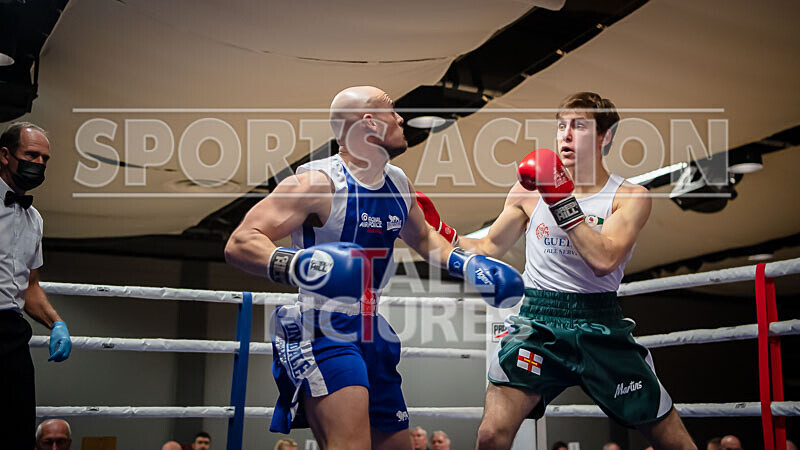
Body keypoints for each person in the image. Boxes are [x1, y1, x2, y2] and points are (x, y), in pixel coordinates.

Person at [225, 86, 524, 449]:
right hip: (323, 328)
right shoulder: (318, 183)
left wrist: (468, 264)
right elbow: (241, 242)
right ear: (368, 122)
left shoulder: (399, 184)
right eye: (392, 111)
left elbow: (425, 238)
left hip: (374, 330)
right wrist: (304, 265)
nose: (400, 119)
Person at [416, 92, 696, 450]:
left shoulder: (630, 197)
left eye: (578, 126)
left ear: (605, 137)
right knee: (490, 433)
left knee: (676, 442)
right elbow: (488, 247)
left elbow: (604, 260)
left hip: (600, 325)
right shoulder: (527, 191)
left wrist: (560, 200)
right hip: (538, 322)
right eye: (561, 125)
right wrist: (442, 230)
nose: (565, 134)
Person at [0, 122, 72, 448]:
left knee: (16, 429)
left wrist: (57, 323)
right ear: (5, 155)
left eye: (45, 158)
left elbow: (29, 286)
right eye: (31, 155)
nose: (39, 164)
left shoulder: (35, 220)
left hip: (11, 335)